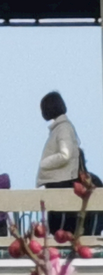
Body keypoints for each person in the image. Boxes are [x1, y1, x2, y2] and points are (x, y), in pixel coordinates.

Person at [36, 91, 80, 236]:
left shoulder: (63, 128)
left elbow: (65, 154)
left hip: (60, 181)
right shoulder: (61, 128)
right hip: (58, 181)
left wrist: (44, 163)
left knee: (59, 225)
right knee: (57, 224)